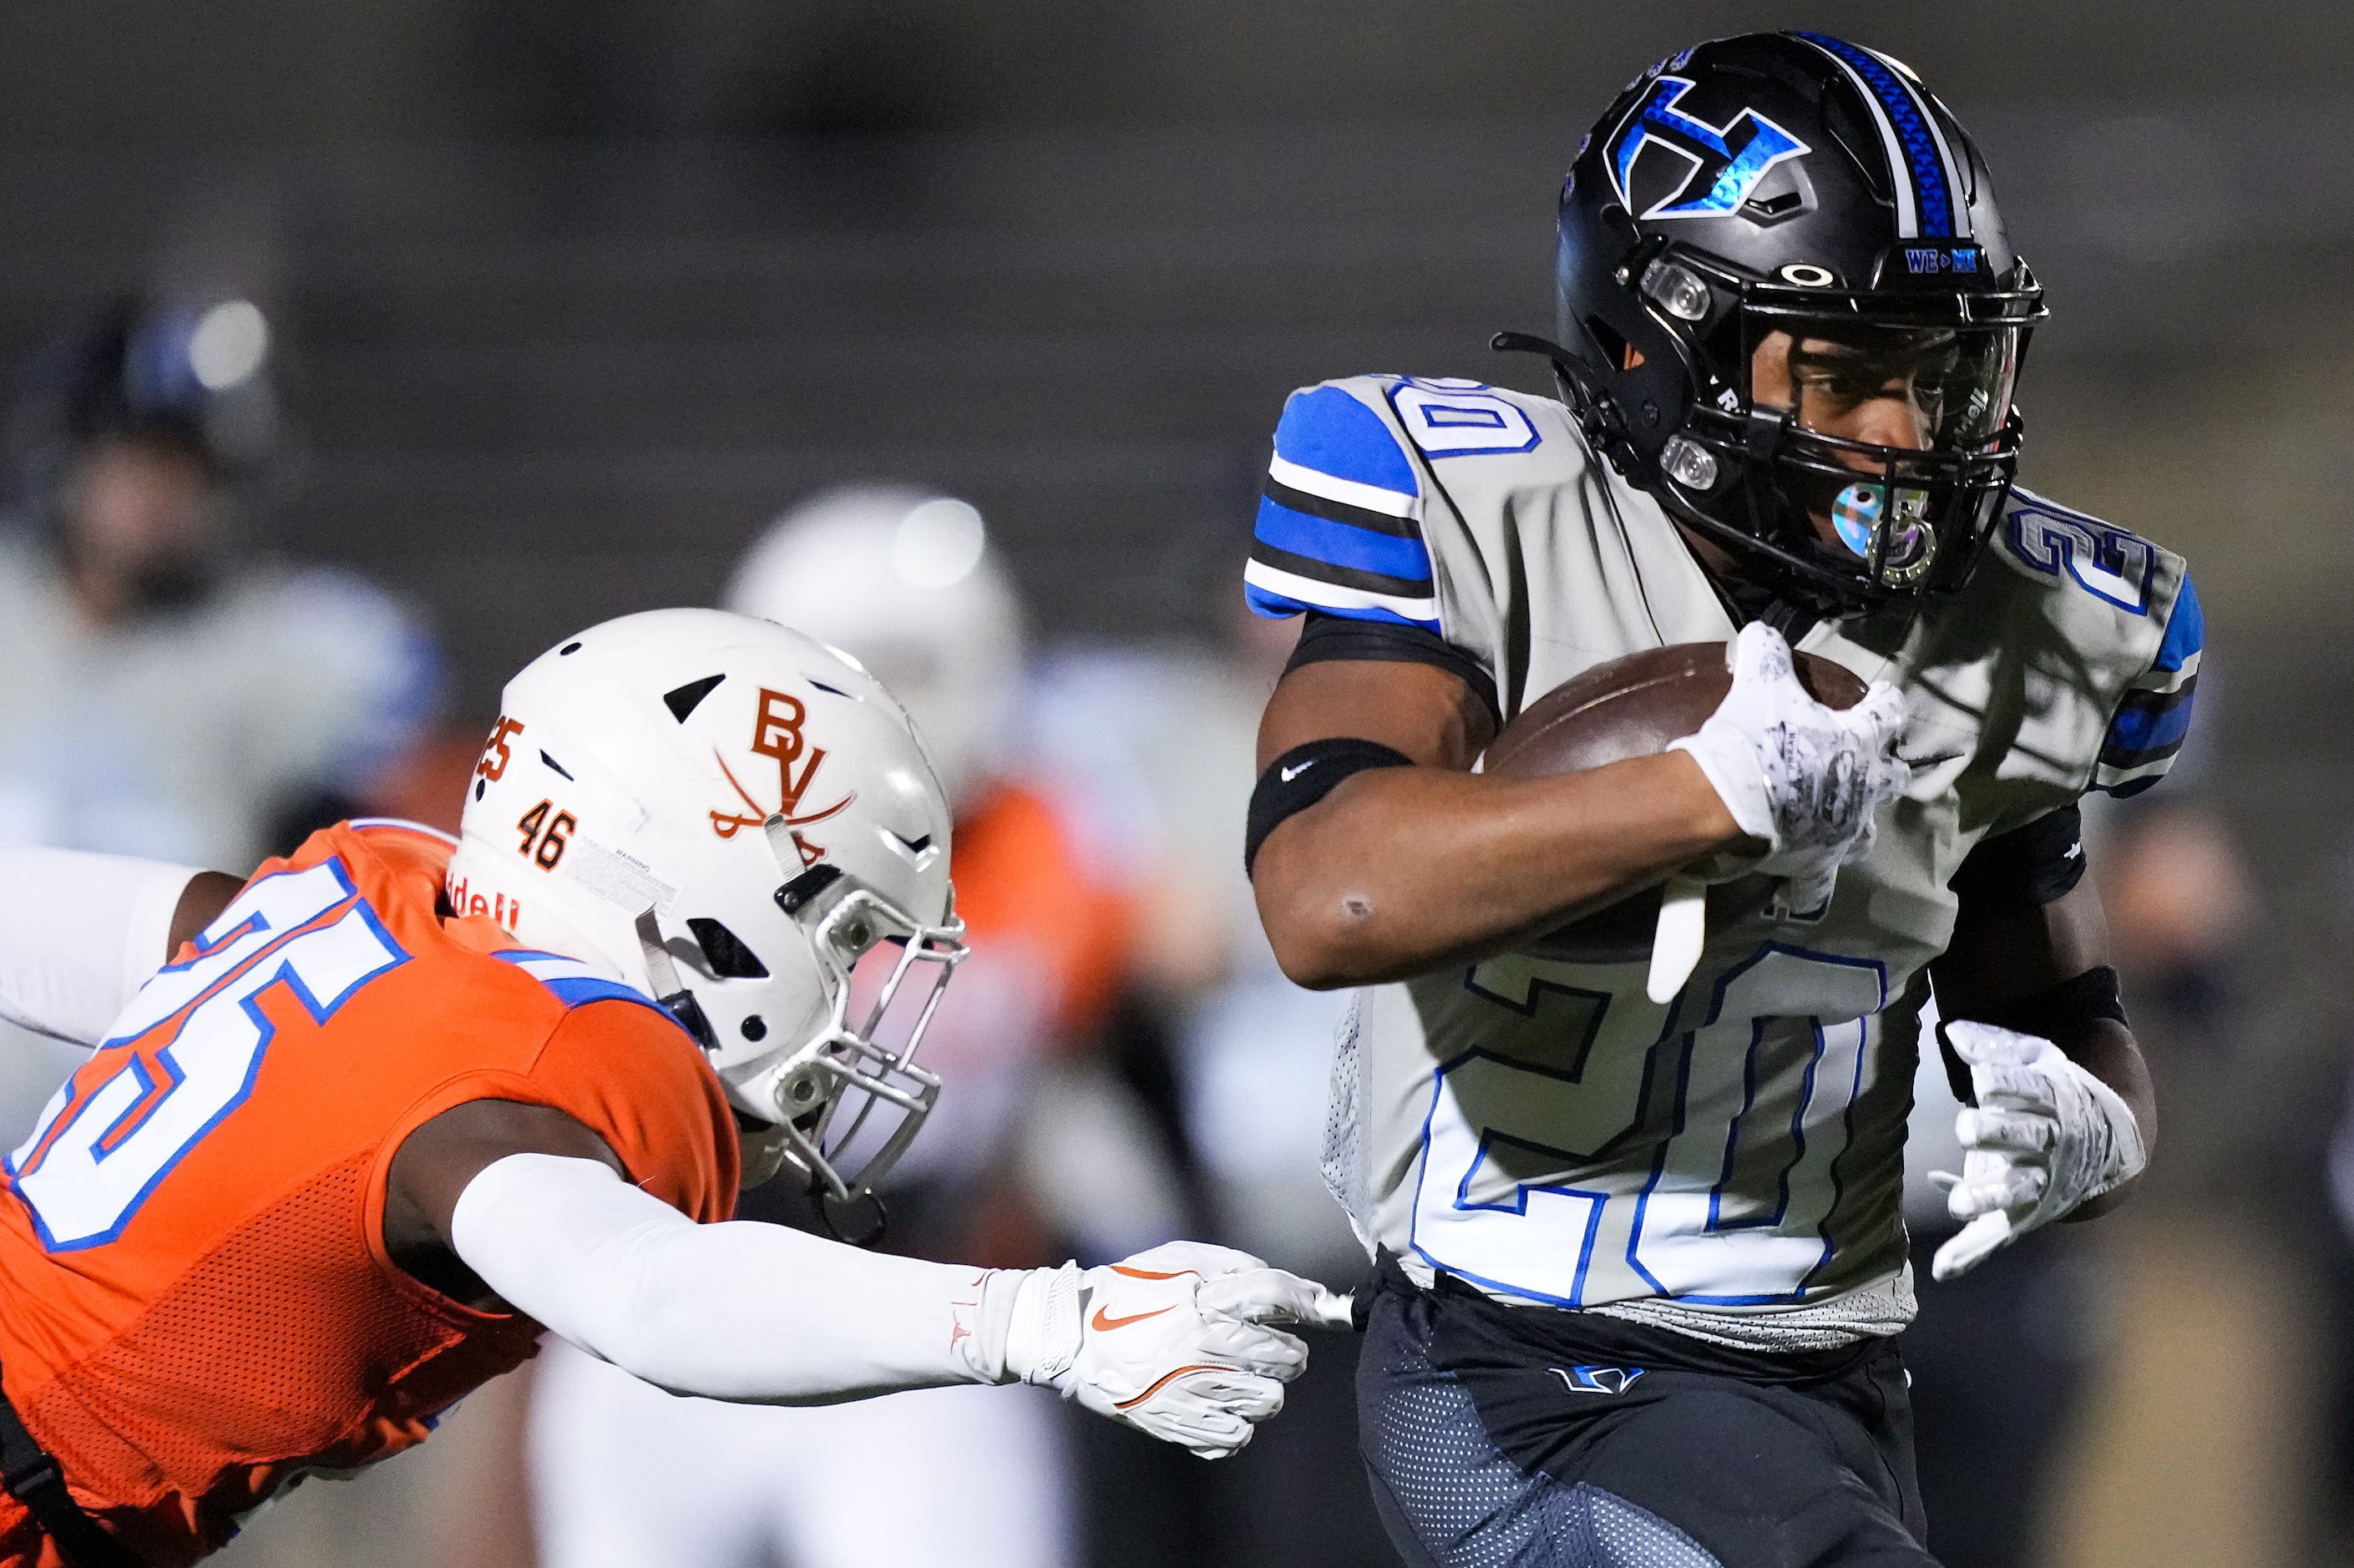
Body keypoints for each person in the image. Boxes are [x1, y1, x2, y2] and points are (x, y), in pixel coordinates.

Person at [1241, 32, 2196, 1566]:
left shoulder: (2020, 619)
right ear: (1658, 344)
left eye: (1939, 374)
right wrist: (1701, 794)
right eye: (1844, 374)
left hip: (1837, 1378)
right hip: (1532, 1368)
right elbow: (1327, 891)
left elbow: (2062, 1008)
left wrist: (2099, 1123)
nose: (1905, 435)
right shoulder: (1482, 513)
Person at [0, 608, 1344, 1568]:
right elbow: (651, 1293)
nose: (853, 993)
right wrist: (1045, 1322)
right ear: (687, 885)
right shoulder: (516, 1090)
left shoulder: (360, 902)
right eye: (838, 931)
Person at [524, 490, 1177, 1568]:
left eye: (907, 673)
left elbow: (1122, 1035)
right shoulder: (644, 841)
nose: (879, 716)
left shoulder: (1050, 837)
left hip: (916, 1321)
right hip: (667, 1315)